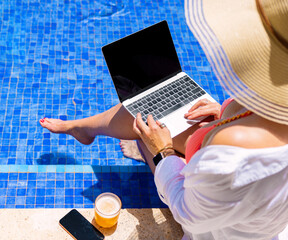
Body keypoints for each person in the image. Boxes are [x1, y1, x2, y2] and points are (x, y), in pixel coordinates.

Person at [39, 0, 288, 239]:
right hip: (235, 192)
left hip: (218, 231)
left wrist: (163, 151)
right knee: (146, 106)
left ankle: (99, 134)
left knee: (144, 125)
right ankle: (85, 129)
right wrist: (223, 115)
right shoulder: (273, 106)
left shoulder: (231, 146)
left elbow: (187, 213)